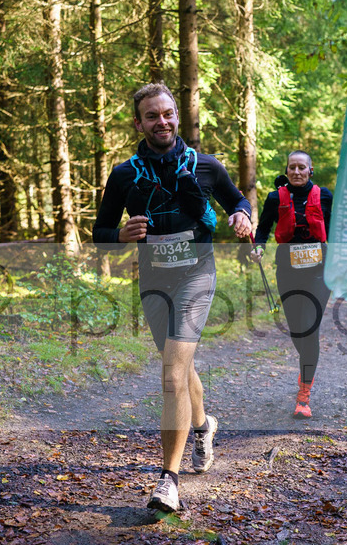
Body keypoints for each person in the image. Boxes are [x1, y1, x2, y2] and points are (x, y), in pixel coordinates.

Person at [93, 83, 253, 513]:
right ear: (138, 122)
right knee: (177, 367)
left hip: (197, 277)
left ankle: (169, 480)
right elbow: (101, 233)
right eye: (151, 116)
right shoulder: (124, 175)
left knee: (171, 375)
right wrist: (119, 235)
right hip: (153, 281)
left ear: (177, 116)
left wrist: (242, 215)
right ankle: (203, 426)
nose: (161, 122)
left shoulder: (204, 165)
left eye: (167, 114)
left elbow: (238, 200)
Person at [249, 151, 333, 419]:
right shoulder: (276, 197)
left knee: (310, 327)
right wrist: (258, 248)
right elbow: (262, 229)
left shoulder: (325, 196)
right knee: (298, 332)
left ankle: (304, 396)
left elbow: (339, 229)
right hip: (287, 271)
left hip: (320, 272)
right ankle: (306, 365)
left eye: (301, 167)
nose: (296, 171)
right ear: (286, 170)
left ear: (311, 170)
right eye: (292, 167)